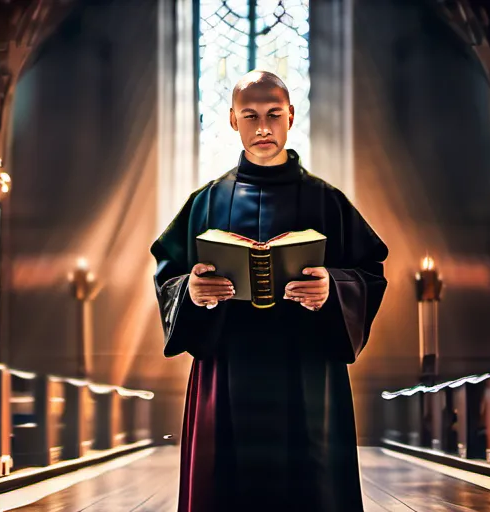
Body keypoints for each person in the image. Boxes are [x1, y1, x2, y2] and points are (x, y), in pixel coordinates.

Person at [151, 70, 388, 512]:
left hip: (307, 368)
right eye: (250, 115)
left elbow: (369, 271)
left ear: (291, 117)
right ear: (232, 121)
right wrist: (193, 290)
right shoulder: (205, 202)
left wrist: (333, 288)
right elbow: (169, 276)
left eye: (274, 114)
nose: (263, 127)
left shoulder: (327, 200)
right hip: (227, 365)